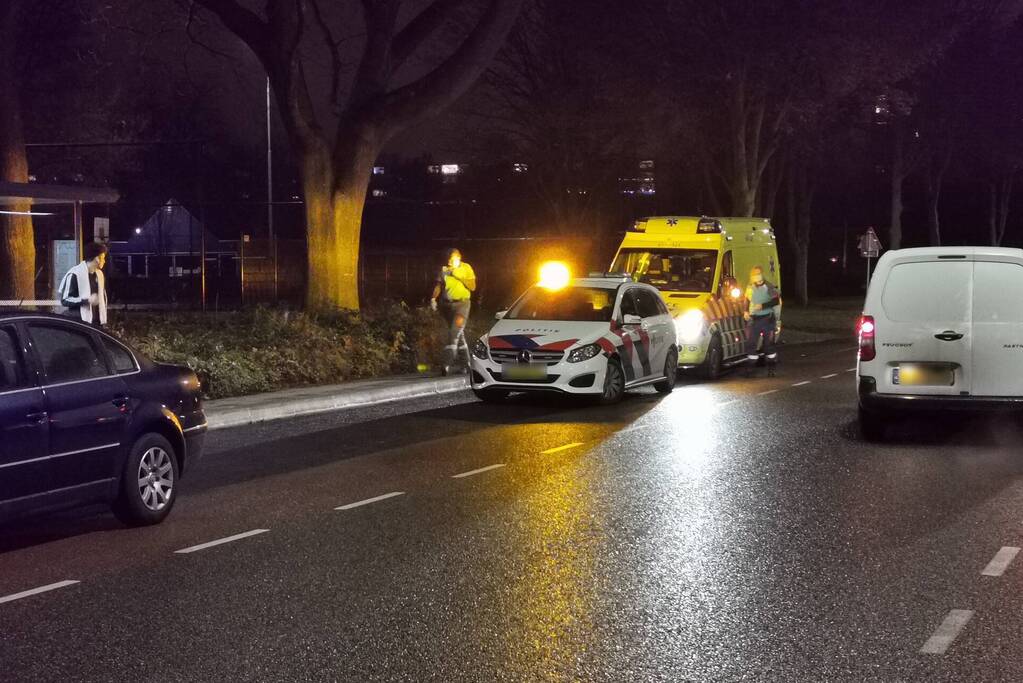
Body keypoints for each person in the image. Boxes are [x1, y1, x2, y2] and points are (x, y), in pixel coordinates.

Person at [430, 248, 476, 375]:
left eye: (453, 259)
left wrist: (458, 275)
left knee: (454, 332)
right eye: (449, 260)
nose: (451, 262)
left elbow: (472, 286)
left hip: (462, 305)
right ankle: (466, 364)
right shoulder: (444, 270)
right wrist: (433, 299)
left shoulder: (466, 268)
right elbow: (439, 285)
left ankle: (446, 364)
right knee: (458, 335)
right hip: (447, 307)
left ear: (459, 258)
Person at [58, 242, 109, 326]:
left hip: (97, 323)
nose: (104, 261)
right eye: (103, 258)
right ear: (97, 258)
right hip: (80, 323)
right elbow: (65, 300)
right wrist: (87, 300)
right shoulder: (75, 273)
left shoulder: (99, 274)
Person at [743, 265, 781, 375]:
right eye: (754, 274)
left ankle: (771, 367)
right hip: (754, 320)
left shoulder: (768, 287)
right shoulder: (750, 287)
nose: (756, 276)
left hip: (767, 319)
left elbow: (776, 301)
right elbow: (746, 299)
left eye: (757, 274)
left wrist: (763, 306)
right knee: (751, 344)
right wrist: (745, 311)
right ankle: (750, 369)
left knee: (768, 345)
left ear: (761, 274)